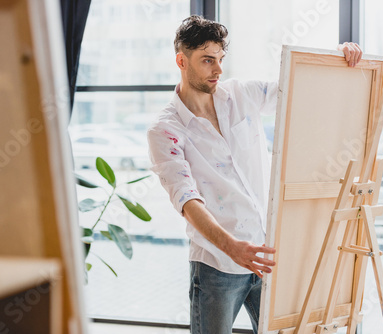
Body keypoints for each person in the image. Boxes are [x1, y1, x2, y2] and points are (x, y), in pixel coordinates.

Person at [147, 15, 362, 334]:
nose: (218, 70)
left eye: (220, 60)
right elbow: (186, 200)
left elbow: (298, 86)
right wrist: (231, 246)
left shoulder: (241, 95)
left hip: (266, 256)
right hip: (217, 266)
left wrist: (337, 56)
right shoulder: (165, 130)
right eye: (207, 61)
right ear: (182, 60)